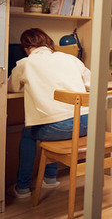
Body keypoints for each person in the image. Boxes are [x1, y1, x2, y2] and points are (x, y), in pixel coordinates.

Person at [8, 28, 91, 198]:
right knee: (52, 119)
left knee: (29, 131)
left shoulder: (25, 63)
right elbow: (91, 82)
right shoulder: (70, 58)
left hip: (60, 128)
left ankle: (23, 188)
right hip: (87, 123)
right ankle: (50, 178)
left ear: (26, 48)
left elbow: (10, 87)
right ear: (48, 43)